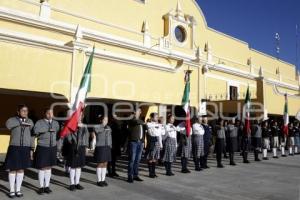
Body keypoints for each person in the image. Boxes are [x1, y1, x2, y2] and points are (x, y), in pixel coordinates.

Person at [4, 104, 34, 198]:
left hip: (25, 147)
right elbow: (8, 126)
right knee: (13, 169)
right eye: (23, 111)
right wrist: (20, 122)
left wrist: (31, 148)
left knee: (21, 169)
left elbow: (31, 134)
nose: (25, 112)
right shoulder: (12, 120)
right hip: (14, 147)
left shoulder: (30, 121)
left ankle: (18, 190)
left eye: (26, 111)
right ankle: (12, 190)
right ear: (18, 112)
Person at [33, 108, 60, 194]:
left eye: (51, 113)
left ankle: (47, 186)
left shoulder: (56, 123)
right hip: (43, 147)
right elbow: (35, 131)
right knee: (42, 167)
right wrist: (46, 130)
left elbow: (58, 133)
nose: (50, 114)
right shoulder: (39, 122)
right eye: (48, 113)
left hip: (52, 147)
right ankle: (41, 187)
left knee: (49, 167)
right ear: (45, 113)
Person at [63, 115, 89, 191]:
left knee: (79, 166)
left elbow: (86, 136)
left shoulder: (84, 126)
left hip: (81, 146)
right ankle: (72, 184)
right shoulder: (71, 125)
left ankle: (77, 183)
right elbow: (68, 134)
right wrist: (71, 141)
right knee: (73, 166)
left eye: (81, 117)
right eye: (78, 116)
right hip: (73, 146)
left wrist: (86, 146)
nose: (79, 118)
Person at [127, 108, 146, 183]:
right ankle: (130, 176)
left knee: (137, 160)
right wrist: (144, 123)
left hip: (140, 142)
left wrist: (143, 141)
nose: (140, 112)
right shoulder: (132, 119)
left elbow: (145, 128)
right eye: (139, 111)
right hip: (134, 142)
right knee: (132, 159)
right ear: (135, 112)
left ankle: (135, 175)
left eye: (140, 111)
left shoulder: (140, 121)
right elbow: (136, 121)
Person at [93, 115, 112, 187]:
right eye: (104, 120)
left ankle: (103, 179)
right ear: (101, 120)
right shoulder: (97, 126)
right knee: (100, 163)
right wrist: (103, 127)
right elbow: (97, 131)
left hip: (107, 147)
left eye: (107, 120)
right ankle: (99, 180)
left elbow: (110, 137)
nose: (106, 121)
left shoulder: (109, 127)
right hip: (100, 146)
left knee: (105, 163)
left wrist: (110, 145)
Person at [146, 113, 165, 178]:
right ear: (152, 117)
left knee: (155, 158)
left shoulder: (158, 125)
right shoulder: (149, 123)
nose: (157, 118)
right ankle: (150, 173)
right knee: (151, 157)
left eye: (157, 117)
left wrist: (161, 145)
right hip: (152, 141)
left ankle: (153, 172)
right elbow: (149, 127)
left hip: (157, 141)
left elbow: (161, 134)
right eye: (156, 117)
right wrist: (156, 125)